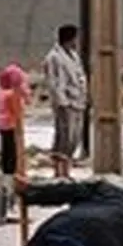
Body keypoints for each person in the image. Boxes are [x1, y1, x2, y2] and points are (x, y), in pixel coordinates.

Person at [43, 24, 88, 179]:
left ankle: (67, 170)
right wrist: (61, 101)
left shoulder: (74, 56)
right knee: (64, 136)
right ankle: (59, 171)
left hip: (78, 101)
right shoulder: (54, 57)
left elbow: (80, 76)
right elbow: (53, 82)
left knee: (74, 137)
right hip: (65, 102)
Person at [0, 64, 31, 176]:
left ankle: (6, 171)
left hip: (1, 124)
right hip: (11, 125)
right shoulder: (11, 95)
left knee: (5, 148)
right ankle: (14, 171)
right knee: (13, 150)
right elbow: (16, 111)